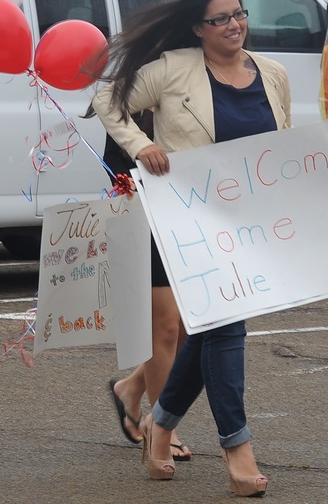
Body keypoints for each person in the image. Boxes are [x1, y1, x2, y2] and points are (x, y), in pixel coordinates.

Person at [92, 0, 328, 496]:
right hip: (189, 220)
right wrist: (142, 146)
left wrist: (326, 143)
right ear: (197, 28)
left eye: (239, 14)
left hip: (248, 223)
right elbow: (107, 99)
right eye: (220, 18)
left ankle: (160, 426)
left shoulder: (272, 74)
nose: (234, 24)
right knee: (226, 326)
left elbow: (277, 148)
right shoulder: (174, 69)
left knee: (210, 328)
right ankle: (237, 446)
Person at [103, 111, 192, 462]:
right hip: (145, 193)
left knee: (193, 325)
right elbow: (110, 109)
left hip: (199, 198)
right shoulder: (136, 72)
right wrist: (140, 149)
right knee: (167, 325)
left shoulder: (212, 60)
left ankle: (132, 387)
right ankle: (162, 426)